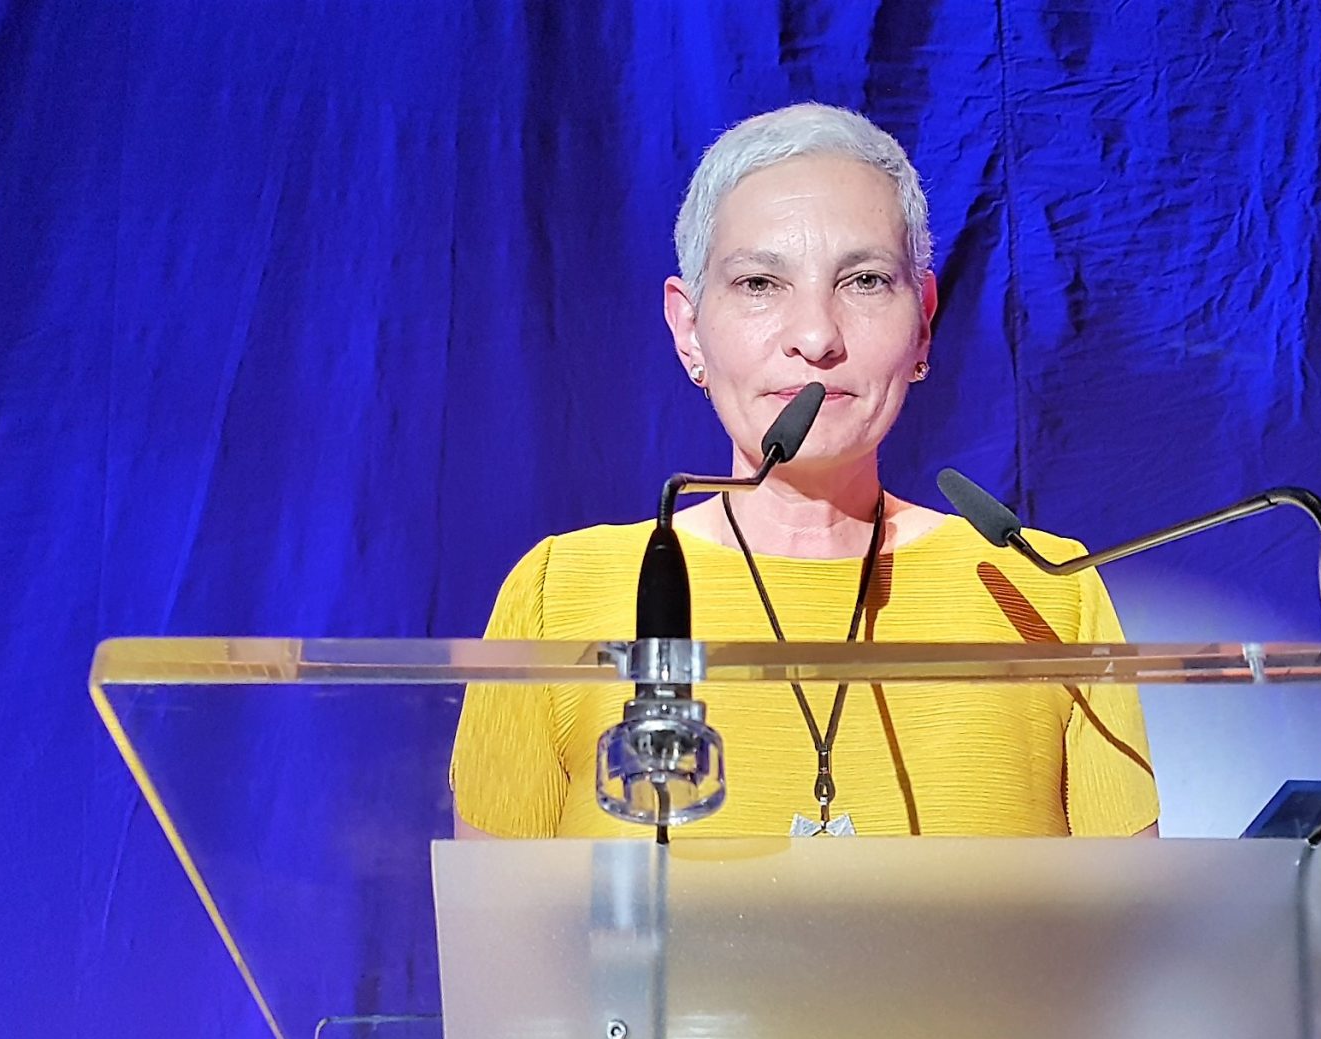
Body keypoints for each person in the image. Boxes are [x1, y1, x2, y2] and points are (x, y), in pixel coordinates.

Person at [451, 104, 1157, 839]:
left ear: (923, 320)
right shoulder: (558, 594)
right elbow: (505, 944)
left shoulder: (1044, 592)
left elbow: (1133, 944)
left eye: (864, 282)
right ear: (689, 330)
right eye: (760, 283)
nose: (816, 336)